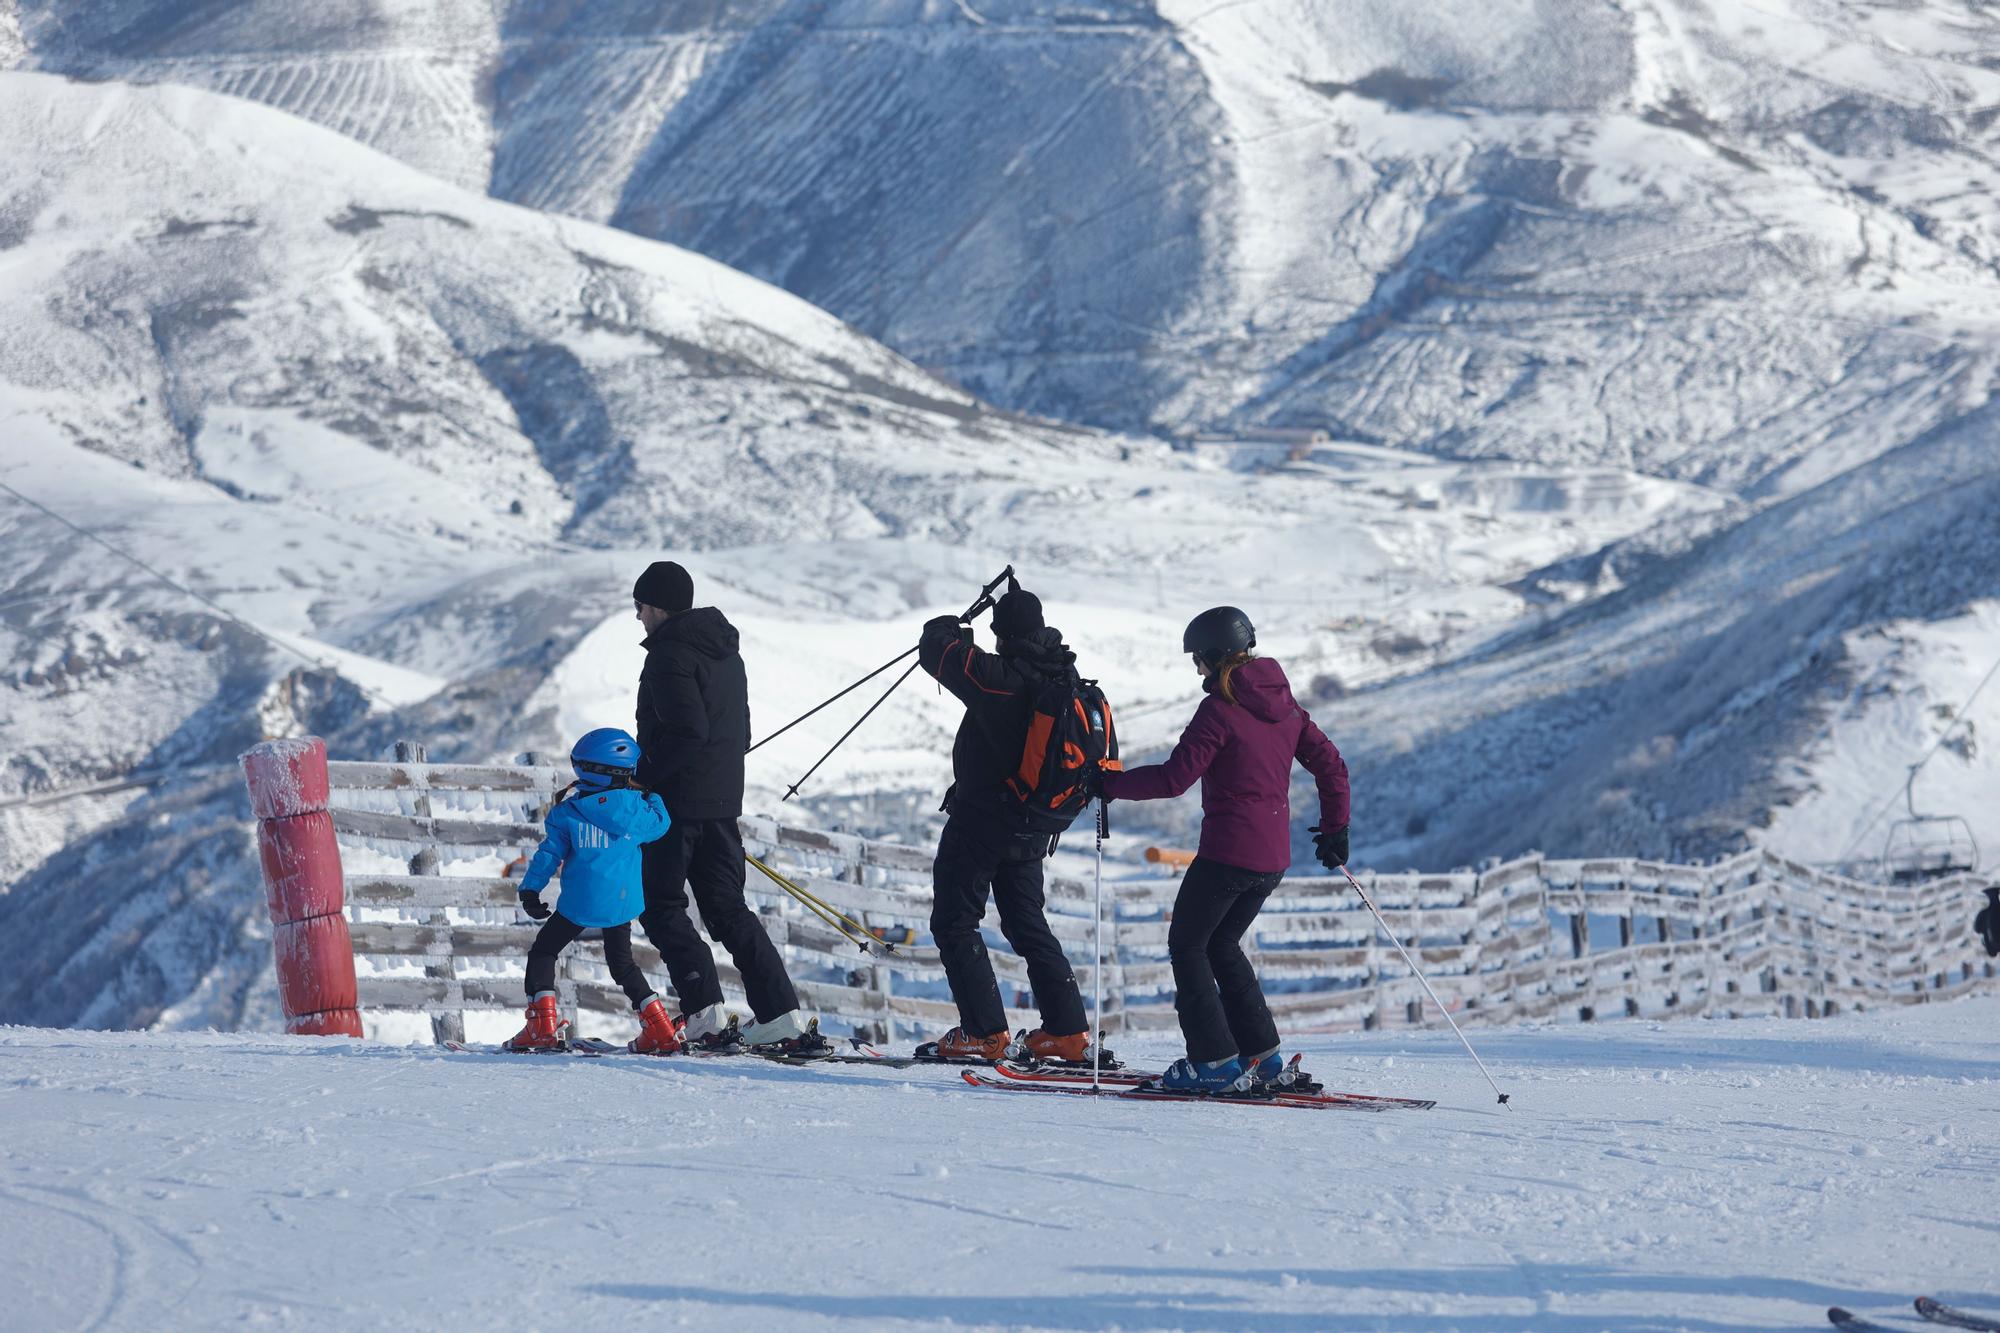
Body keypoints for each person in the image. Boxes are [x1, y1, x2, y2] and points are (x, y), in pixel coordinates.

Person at [1099, 606, 1350, 1094]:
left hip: (1227, 855)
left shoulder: (1220, 709)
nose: (1196, 669)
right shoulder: (1287, 707)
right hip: (1271, 860)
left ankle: (1212, 1062)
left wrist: (1108, 784)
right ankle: (1264, 1056)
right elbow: (1332, 767)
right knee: (1221, 945)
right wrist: (1336, 829)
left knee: (1188, 947)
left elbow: (1174, 779)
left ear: (1214, 655)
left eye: (1198, 659)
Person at [631, 560, 826, 1057]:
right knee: (728, 909)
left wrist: (642, 776)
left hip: (677, 804)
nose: (638, 618)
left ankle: (705, 1014)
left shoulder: (668, 654)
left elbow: (686, 732)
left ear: (655, 606)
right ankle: (782, 1016)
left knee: (661, 906)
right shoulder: (724, 654)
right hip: (722, 803)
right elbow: (740, 733)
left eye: (640, 607)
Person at [912, 580, 1103, 1066]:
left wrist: (956, 625)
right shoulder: (1063, 676)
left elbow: (937, 650)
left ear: (1002, 633)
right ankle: (1067, 1033)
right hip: (1036, 826)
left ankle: (984, 1033)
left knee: (955, 921)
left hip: (982, 821)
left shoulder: (1001, 678)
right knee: (1027, 923)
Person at [507, 728, 681, 1054]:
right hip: (622, 903)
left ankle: (541, 1026)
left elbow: (548, 856)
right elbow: (661, 823)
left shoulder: (568, 813)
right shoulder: (638, 811)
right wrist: (651, 795)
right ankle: (659, 1027)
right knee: (623, 964)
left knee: (544, 953)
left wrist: (531, 890)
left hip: (579, 903)